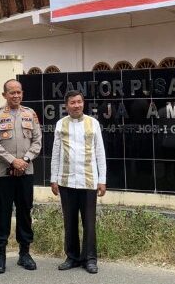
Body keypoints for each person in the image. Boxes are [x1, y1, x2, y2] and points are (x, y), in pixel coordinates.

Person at [0, 79, 42, 274]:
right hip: (3, 174)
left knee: (25, 212)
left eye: (18, 92)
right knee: (2, 213)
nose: (16, 95)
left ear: (22, 94)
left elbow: (37, 141)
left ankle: (24, 253)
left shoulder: (30, 114)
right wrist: (12, 161)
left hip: (26, 172)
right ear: (4, 95)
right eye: (12, 93)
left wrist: (24, 160)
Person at [50, 90, 106, 275]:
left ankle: (89, 259)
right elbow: (56, 153)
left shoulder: (93, 123)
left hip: (89, 180)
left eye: (79, 102)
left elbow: (100, 152)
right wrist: (54, 179)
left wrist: (102, 180)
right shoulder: (61, 124)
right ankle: (72, 257)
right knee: (70, 221)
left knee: (89, 222)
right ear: (66, 106)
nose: (76, 105)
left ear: (83, 103)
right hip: (66, 181)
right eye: (72, 102)